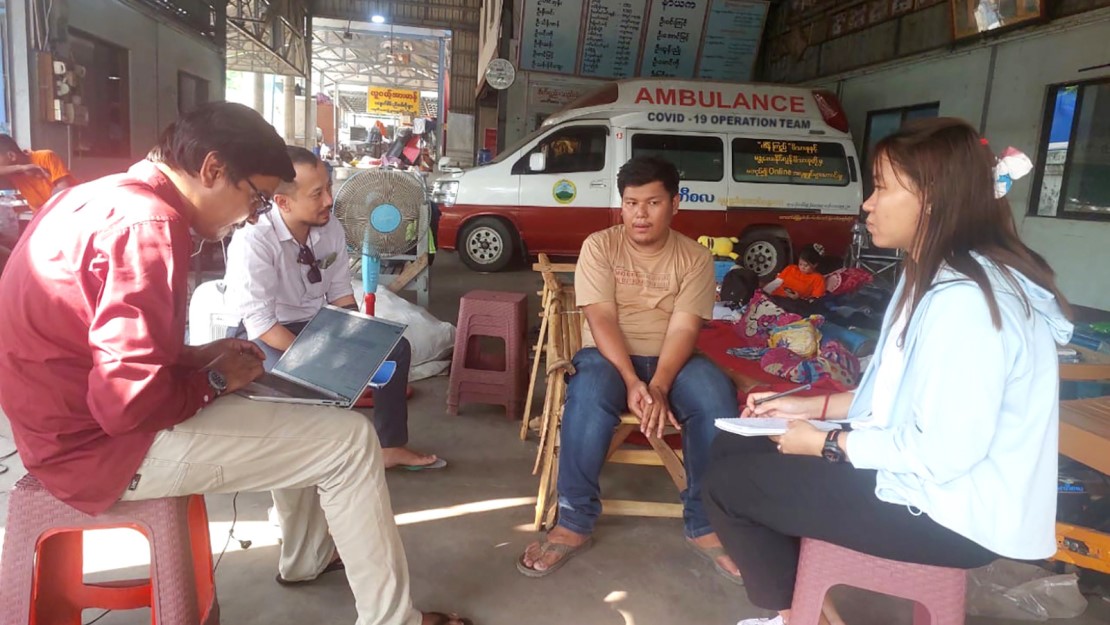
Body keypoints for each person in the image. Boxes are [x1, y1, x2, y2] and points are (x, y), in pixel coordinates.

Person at [0, 102, 471, 625]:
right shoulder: (149, 225)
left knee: (300, 417)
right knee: (352, 443)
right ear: (212, 170)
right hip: (98, 450)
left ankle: (306, 558)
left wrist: (199, 357)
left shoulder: (95, 197)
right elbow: (127, 407)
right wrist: (217, 380)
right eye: (255, 196)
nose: (253, 213)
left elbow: (101, 348)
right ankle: (393, 620)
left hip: (61, 428)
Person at [704, 118, 1072, 625]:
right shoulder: (928, 276)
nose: (867, 204)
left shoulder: (968, 302)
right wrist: (807, 407)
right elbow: (892, 394)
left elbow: (945, 452)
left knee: (730, 485)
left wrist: (828, 444)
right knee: (733, 443)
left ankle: (796, 617)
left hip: (952, 515)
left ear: (933, 199)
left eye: (881, 188)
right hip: (927, 483)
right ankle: (803, 611)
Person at [517, 156, 742, 583]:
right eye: (631, 202)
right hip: (608, 355)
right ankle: (574, 519)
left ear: (675, 204)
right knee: (585, 396)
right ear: (621, 205)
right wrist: (632, 381)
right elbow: (601, 320)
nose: (640, 213)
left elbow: (683, 328)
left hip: (672, 359)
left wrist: (656, 385)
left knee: (716, 399)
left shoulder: (694, 257)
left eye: (653, 202)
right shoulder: (600, 245)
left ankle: (705, 521)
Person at [224, 145, 443, 471]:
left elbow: (341, 293)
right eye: (317, 193)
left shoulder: (330, 228)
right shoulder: (254, 239)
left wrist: (358, 338)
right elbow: (261, 322)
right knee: (309, 381)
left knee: (394, 353)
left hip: (315, 322)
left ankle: (390, 446)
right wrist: (320, 358)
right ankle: (305, 460)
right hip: (259, 335)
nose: (329, 200)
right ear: (283, 201)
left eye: (329, 187)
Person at [0, 134, 76, 213]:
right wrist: (21, 168)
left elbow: (64, 195)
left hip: (70, 211)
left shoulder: (45, 157)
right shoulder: (11, 173)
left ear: (11, 156)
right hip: (44, 218)